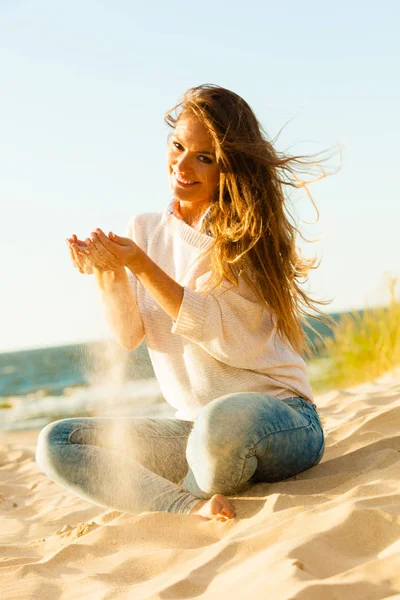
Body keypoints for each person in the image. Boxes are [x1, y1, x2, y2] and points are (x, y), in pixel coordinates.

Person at [36, 84, 332, 521]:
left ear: (228, 166)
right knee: (57, 441)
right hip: (195, 431)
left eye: (204, 157)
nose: (183, 165)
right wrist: (110, 272)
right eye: (177, 146)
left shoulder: (246, 237)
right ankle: (186, 506)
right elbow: (129, 335)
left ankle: (194, 482)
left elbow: (210, 326)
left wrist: (139, 264)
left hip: (280, 419)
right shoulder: (144, 228)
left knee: (219, 429)